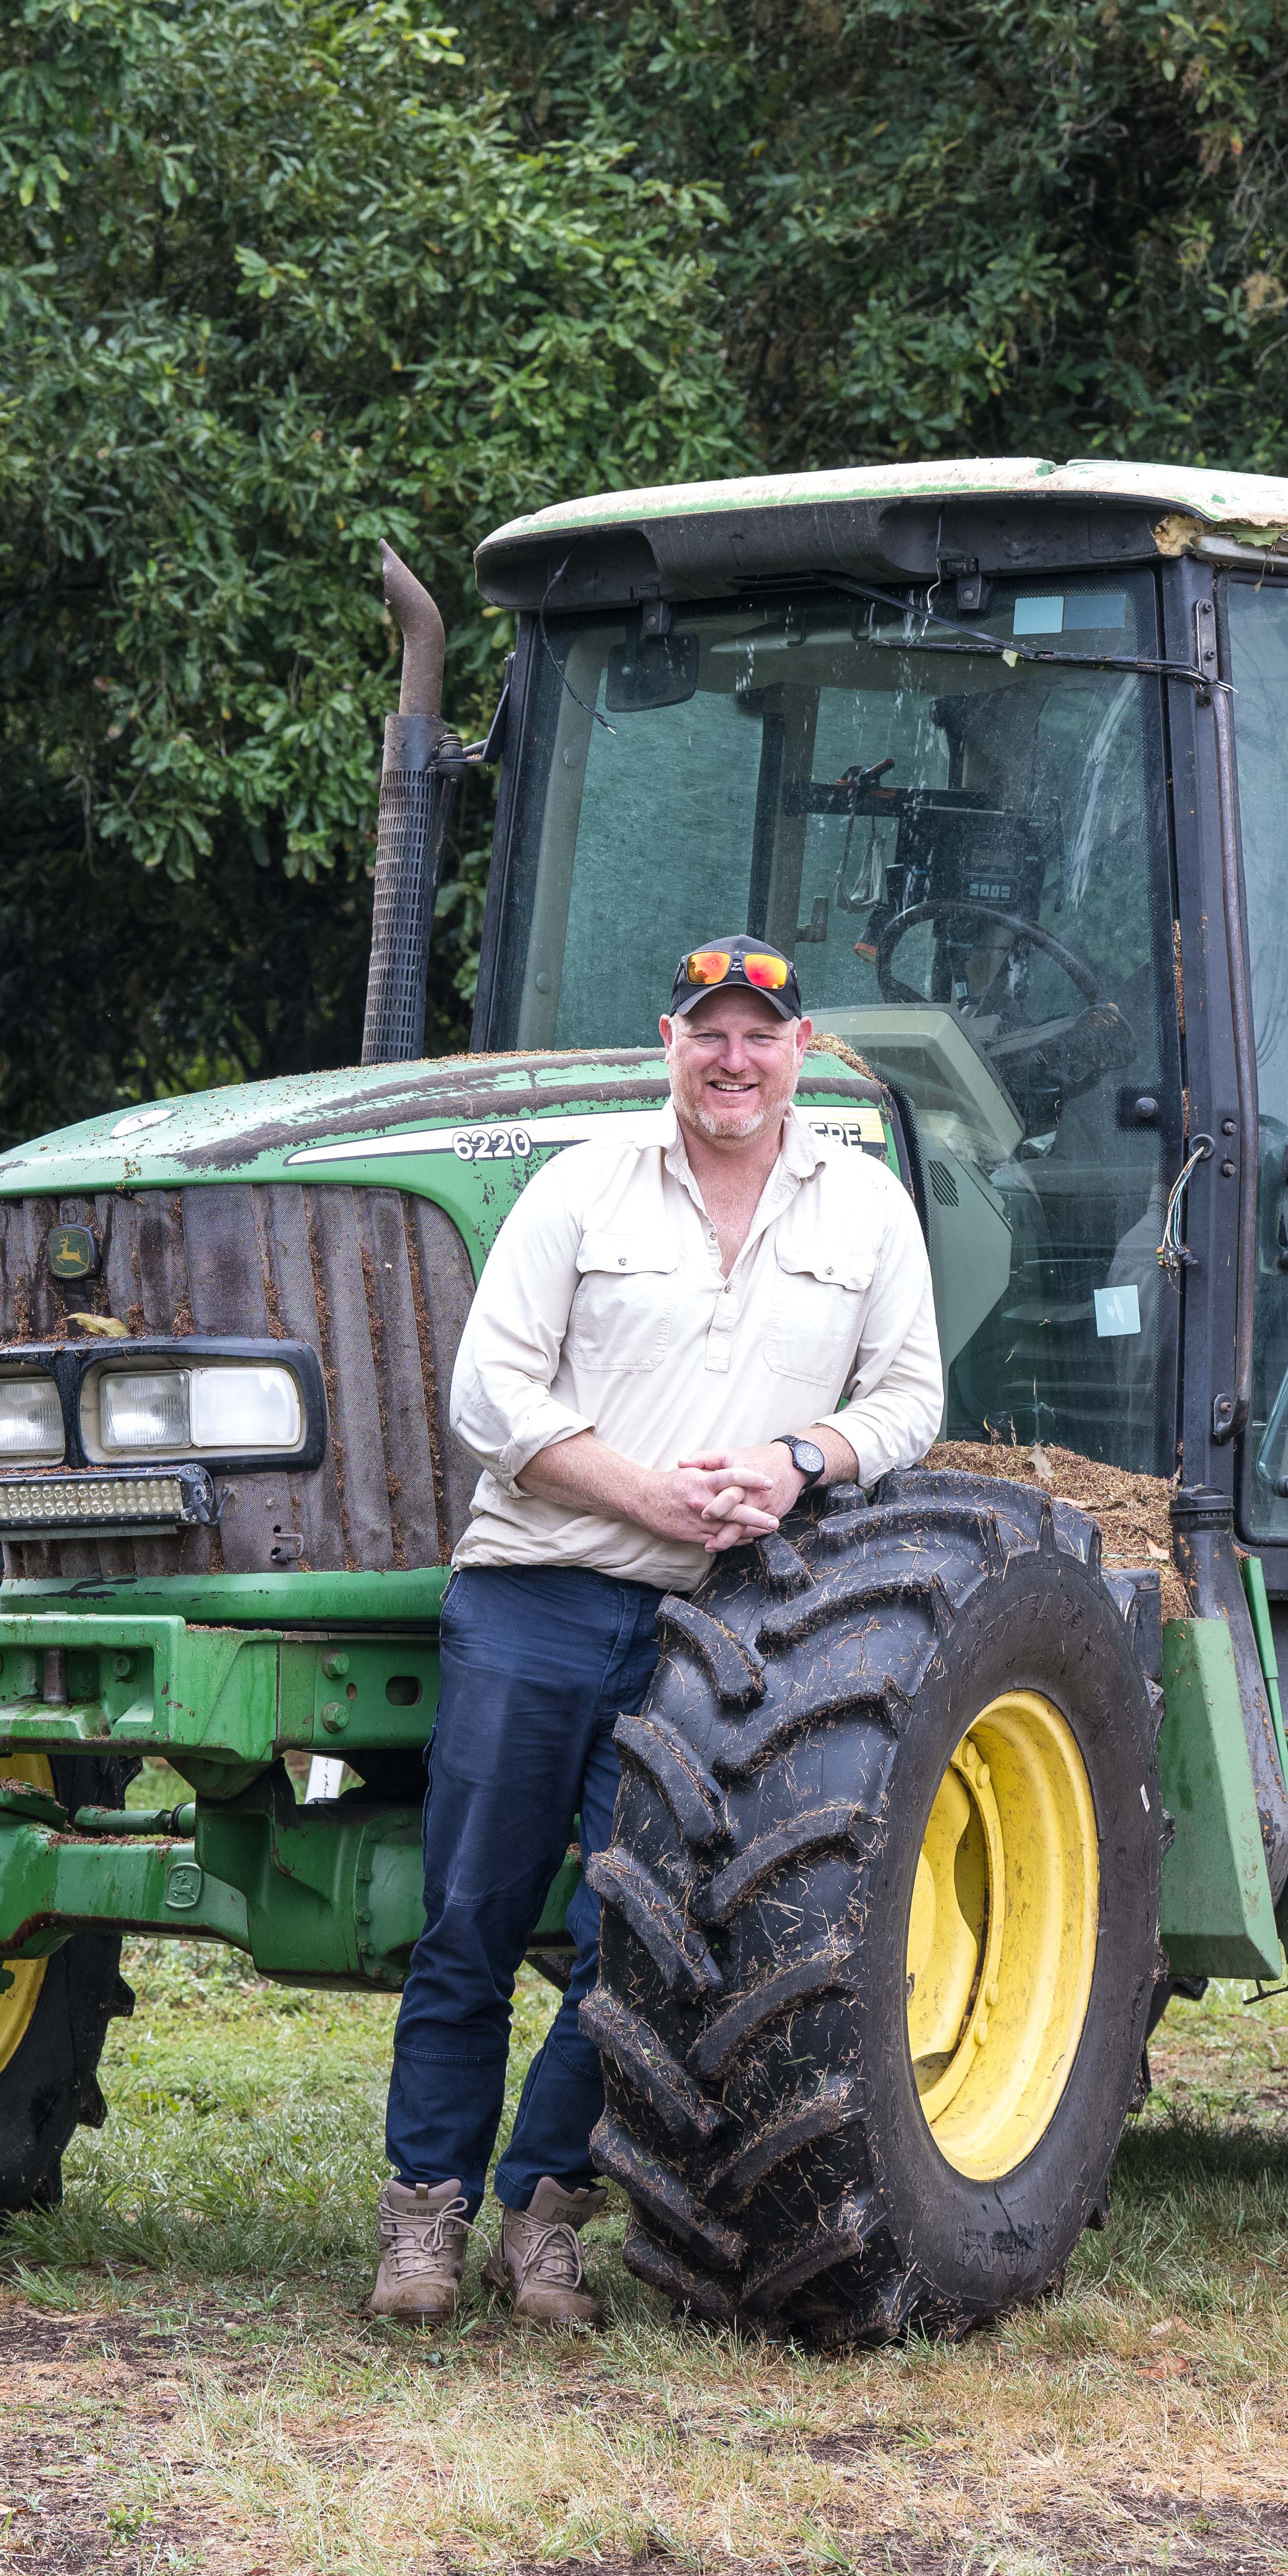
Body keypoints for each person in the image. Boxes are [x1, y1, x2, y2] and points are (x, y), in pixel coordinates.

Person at [372, 934, 951, 2328]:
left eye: (760, 1035)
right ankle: (424, 2216)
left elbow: (911, 1398)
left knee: (639, 1939)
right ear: (669, 1043)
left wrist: (800, 1462)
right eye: (709, 1033)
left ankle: (546, 2213)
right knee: (472, 1914)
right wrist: (640, 1490)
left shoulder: (864, 1210)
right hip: (544, 1591)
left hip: (730, 1625)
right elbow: (488, 1391)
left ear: (801, 1051)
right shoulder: (581, 1188)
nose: (733, 1060)